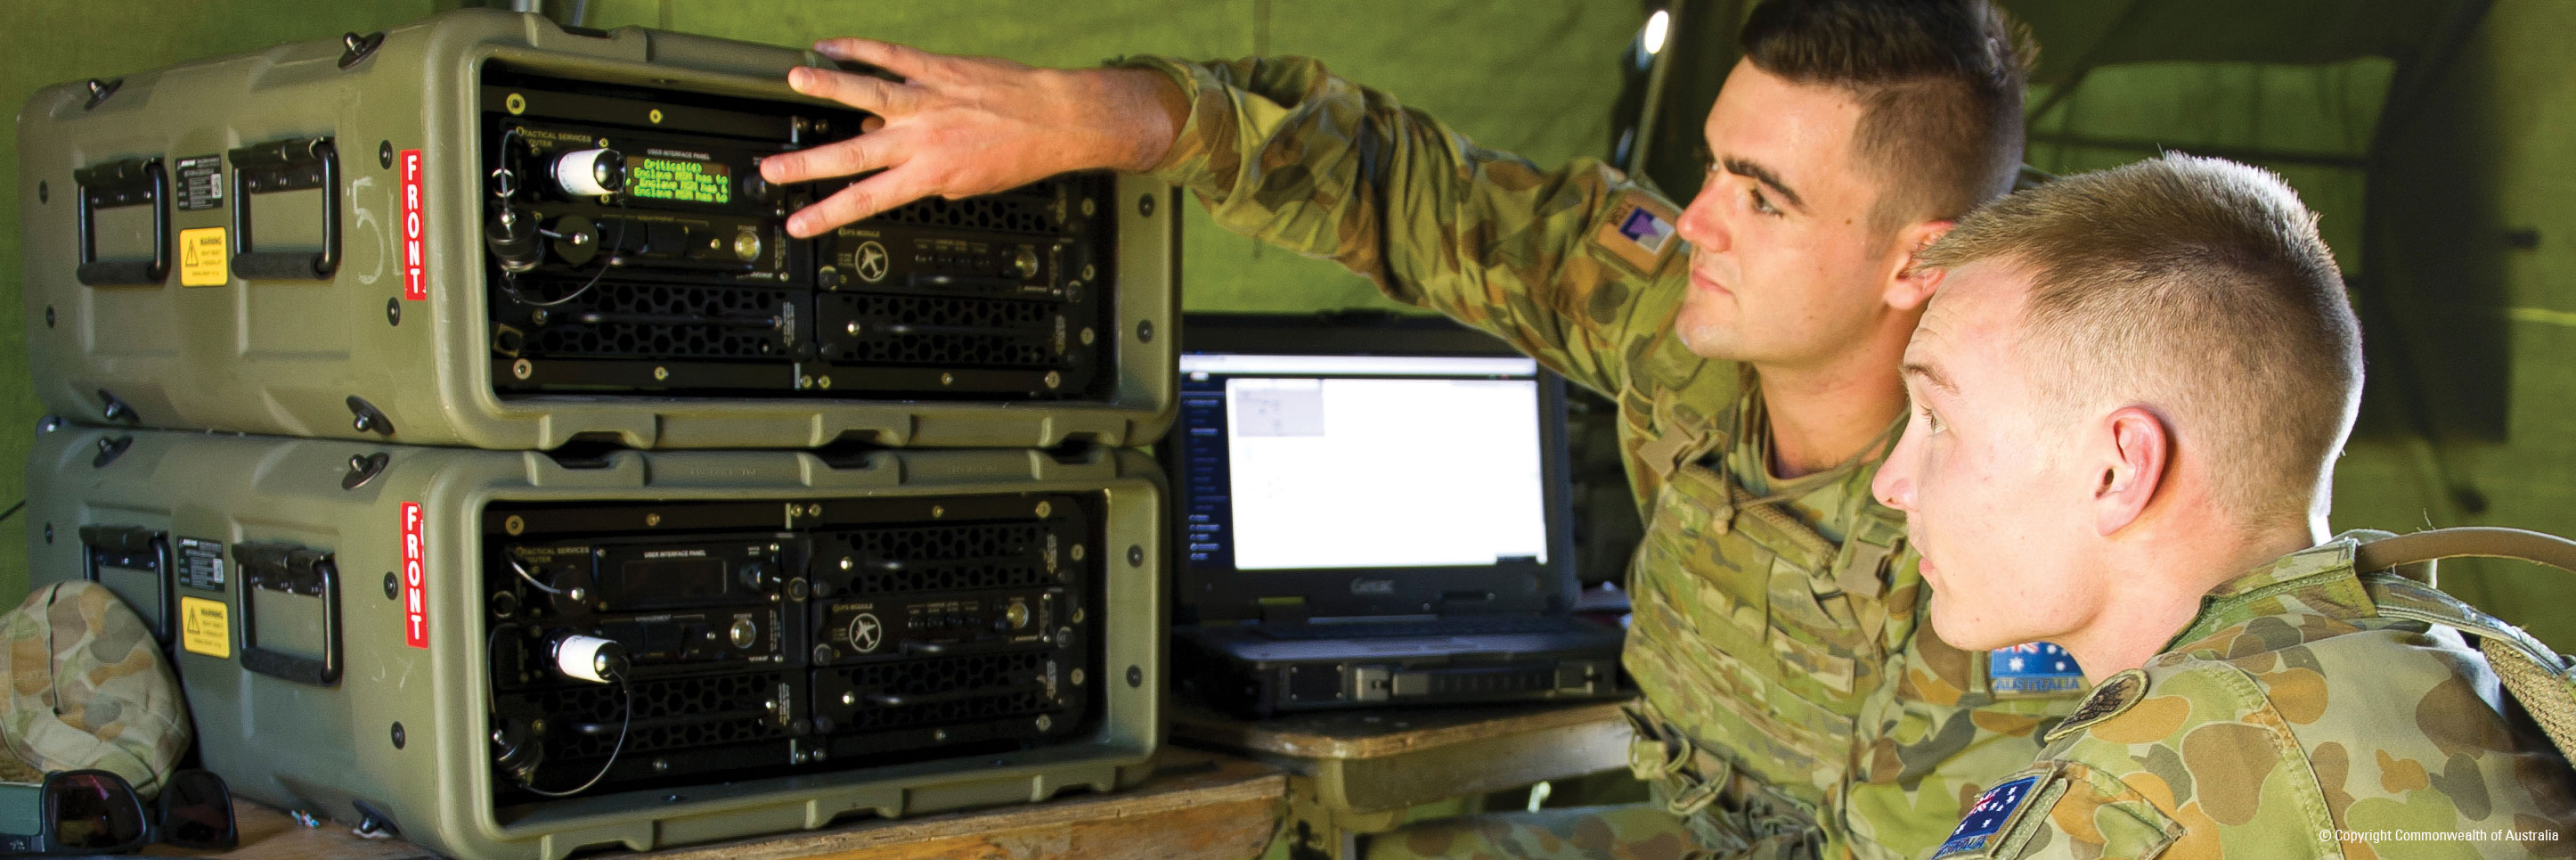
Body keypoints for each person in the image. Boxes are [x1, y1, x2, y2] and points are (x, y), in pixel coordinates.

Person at [762, 2, 2086, 856]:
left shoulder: (2048, 505)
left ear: (1924, 257)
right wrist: (1106, 118)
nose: (1696, 221)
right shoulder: (1670, 320)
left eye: (1763, 195)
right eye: (1710, 165)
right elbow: (1398, 182)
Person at [1871, 152, 2576, 858]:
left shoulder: (2126, 798)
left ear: (2120, 470)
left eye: (1936, 419)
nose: (1891, 483)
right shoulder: (2457, 660)